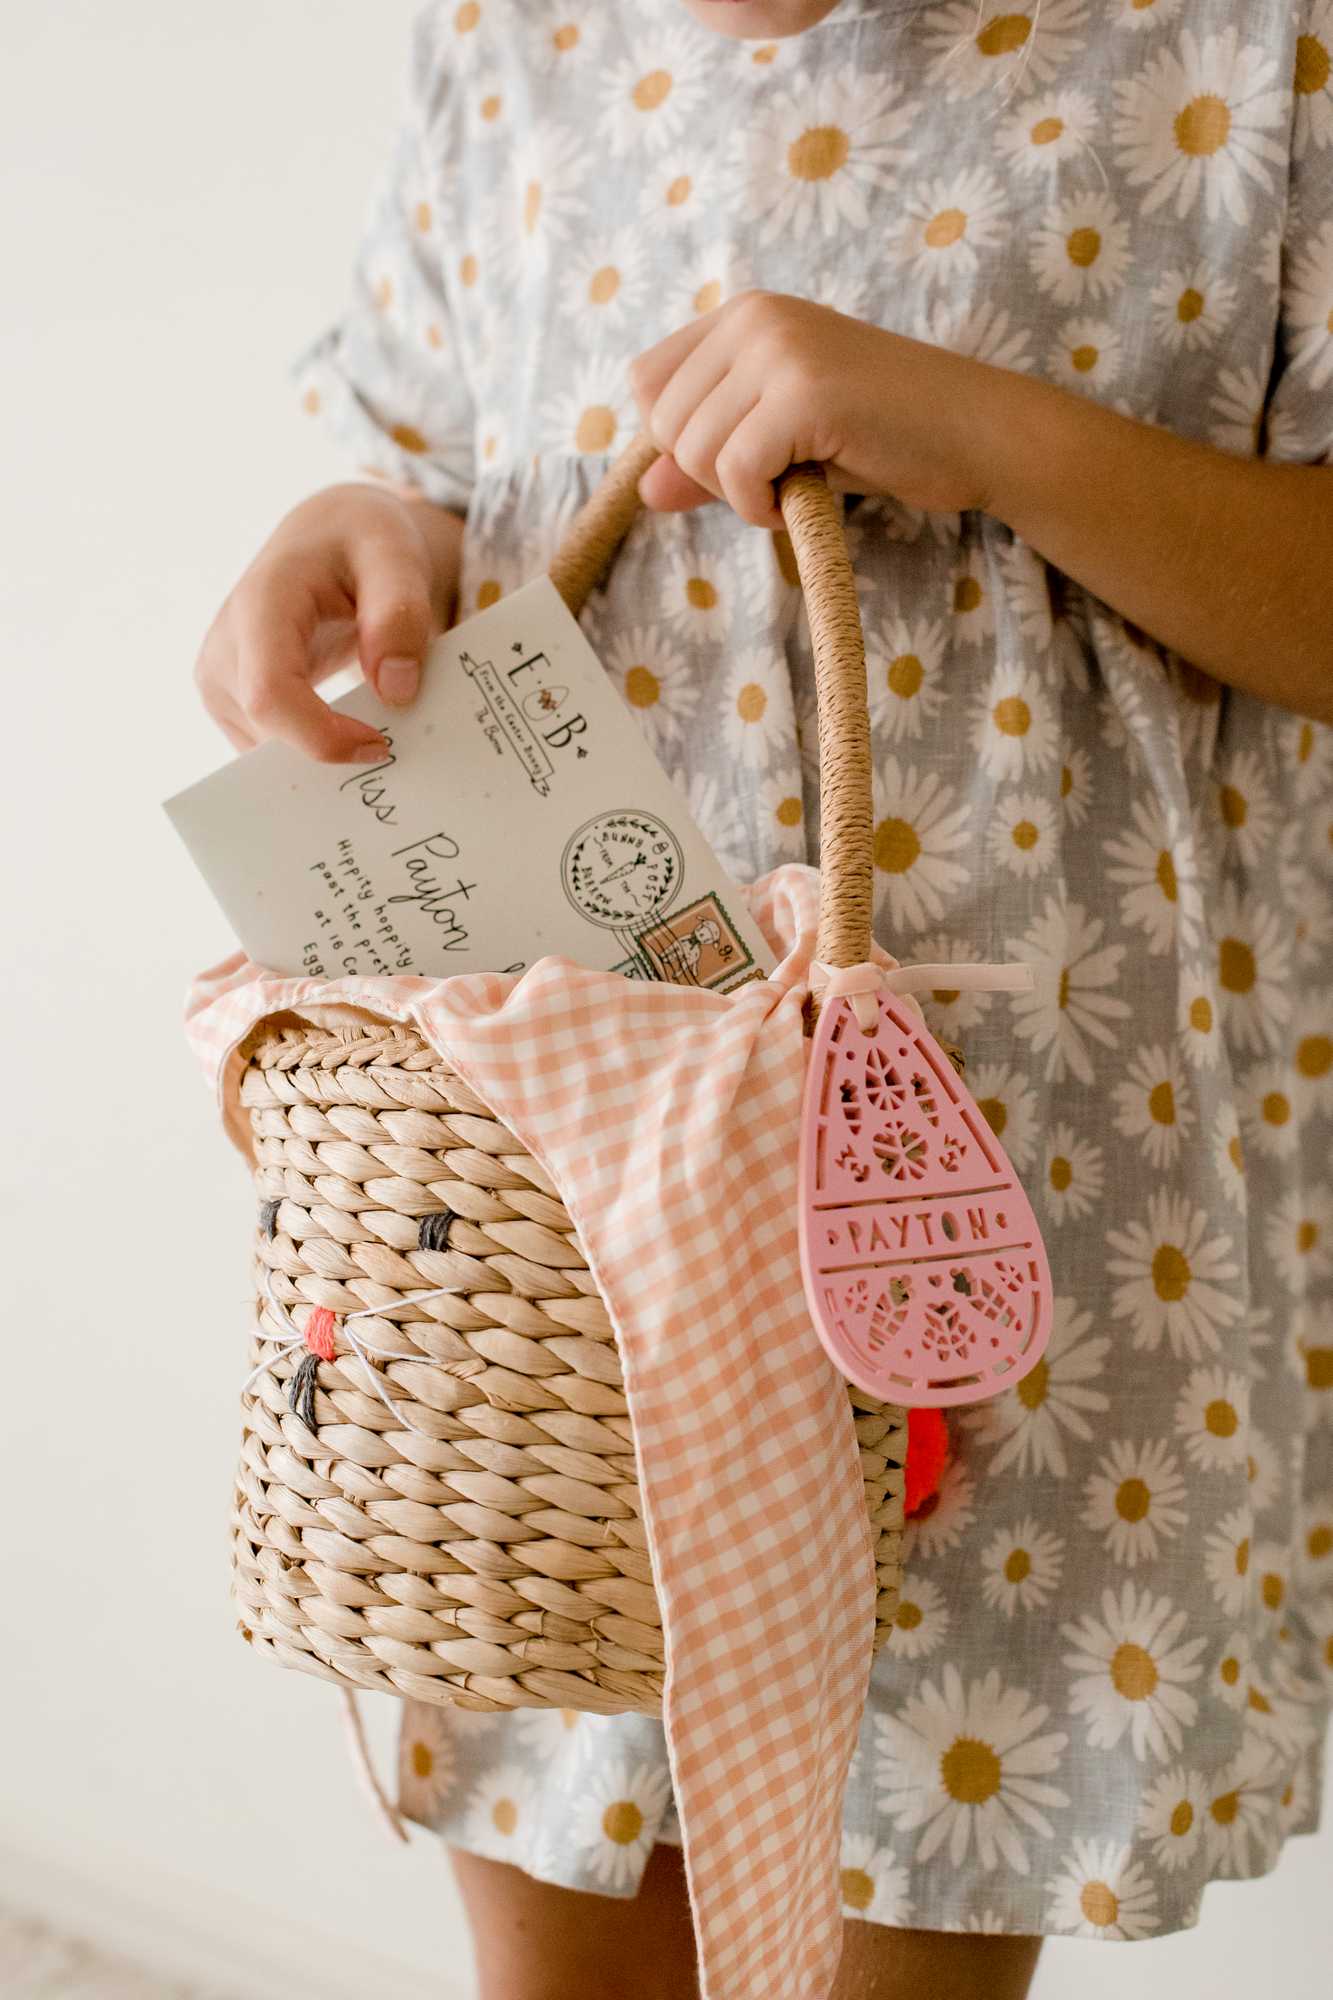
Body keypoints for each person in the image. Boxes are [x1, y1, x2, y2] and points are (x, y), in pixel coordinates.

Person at [194, 3, 1333, 1994]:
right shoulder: (513, 36)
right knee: (566, 1903)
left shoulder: (1255, 47)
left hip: (993, 1202)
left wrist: (990, 431)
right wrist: (362, 533)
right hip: (554, 1228)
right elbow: (434, 452)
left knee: (886, 1886)